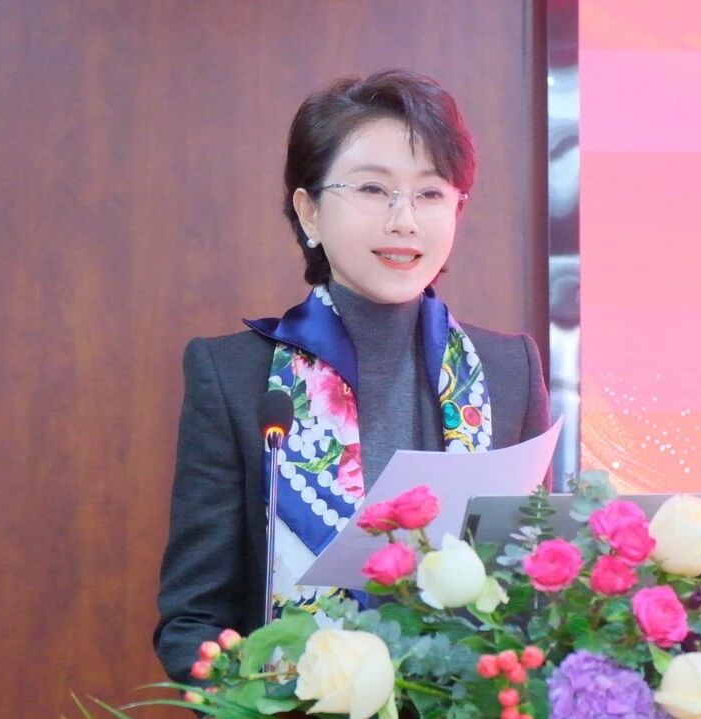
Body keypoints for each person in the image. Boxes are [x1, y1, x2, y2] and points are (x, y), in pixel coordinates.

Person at [153, 69, 551, 685]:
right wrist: (261, 697)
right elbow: (192, 621)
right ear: (309, 211)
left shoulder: (508, 370)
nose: (404, 220)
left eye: (431, 193)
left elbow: (534, 590)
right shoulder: (235, 376)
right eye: (372, 188)